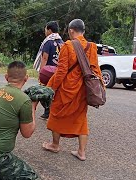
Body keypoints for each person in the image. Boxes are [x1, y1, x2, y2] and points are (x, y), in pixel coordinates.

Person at [42, 19, 103, 161]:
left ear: (71, 31)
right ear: (83, 31)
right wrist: (100, 88)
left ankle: (55, 145)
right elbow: (95, 70)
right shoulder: (92, 46)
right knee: (81, 119)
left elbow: (61, 71)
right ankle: (81, 152)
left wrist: (51, 88)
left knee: (56, 113)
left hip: (66, 89)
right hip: (83, 91)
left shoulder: (68, 45)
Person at [34, 21, 64, 120]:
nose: (45, 31)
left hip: (48, 72)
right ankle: (49, 111)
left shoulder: (48, 41)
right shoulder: (61, 42)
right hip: (58, 71)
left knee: (43, 91)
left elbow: (44, 58)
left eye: (46, 29)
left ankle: (47, 111)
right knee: (54, 92)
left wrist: (41, 73)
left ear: (49, 30)